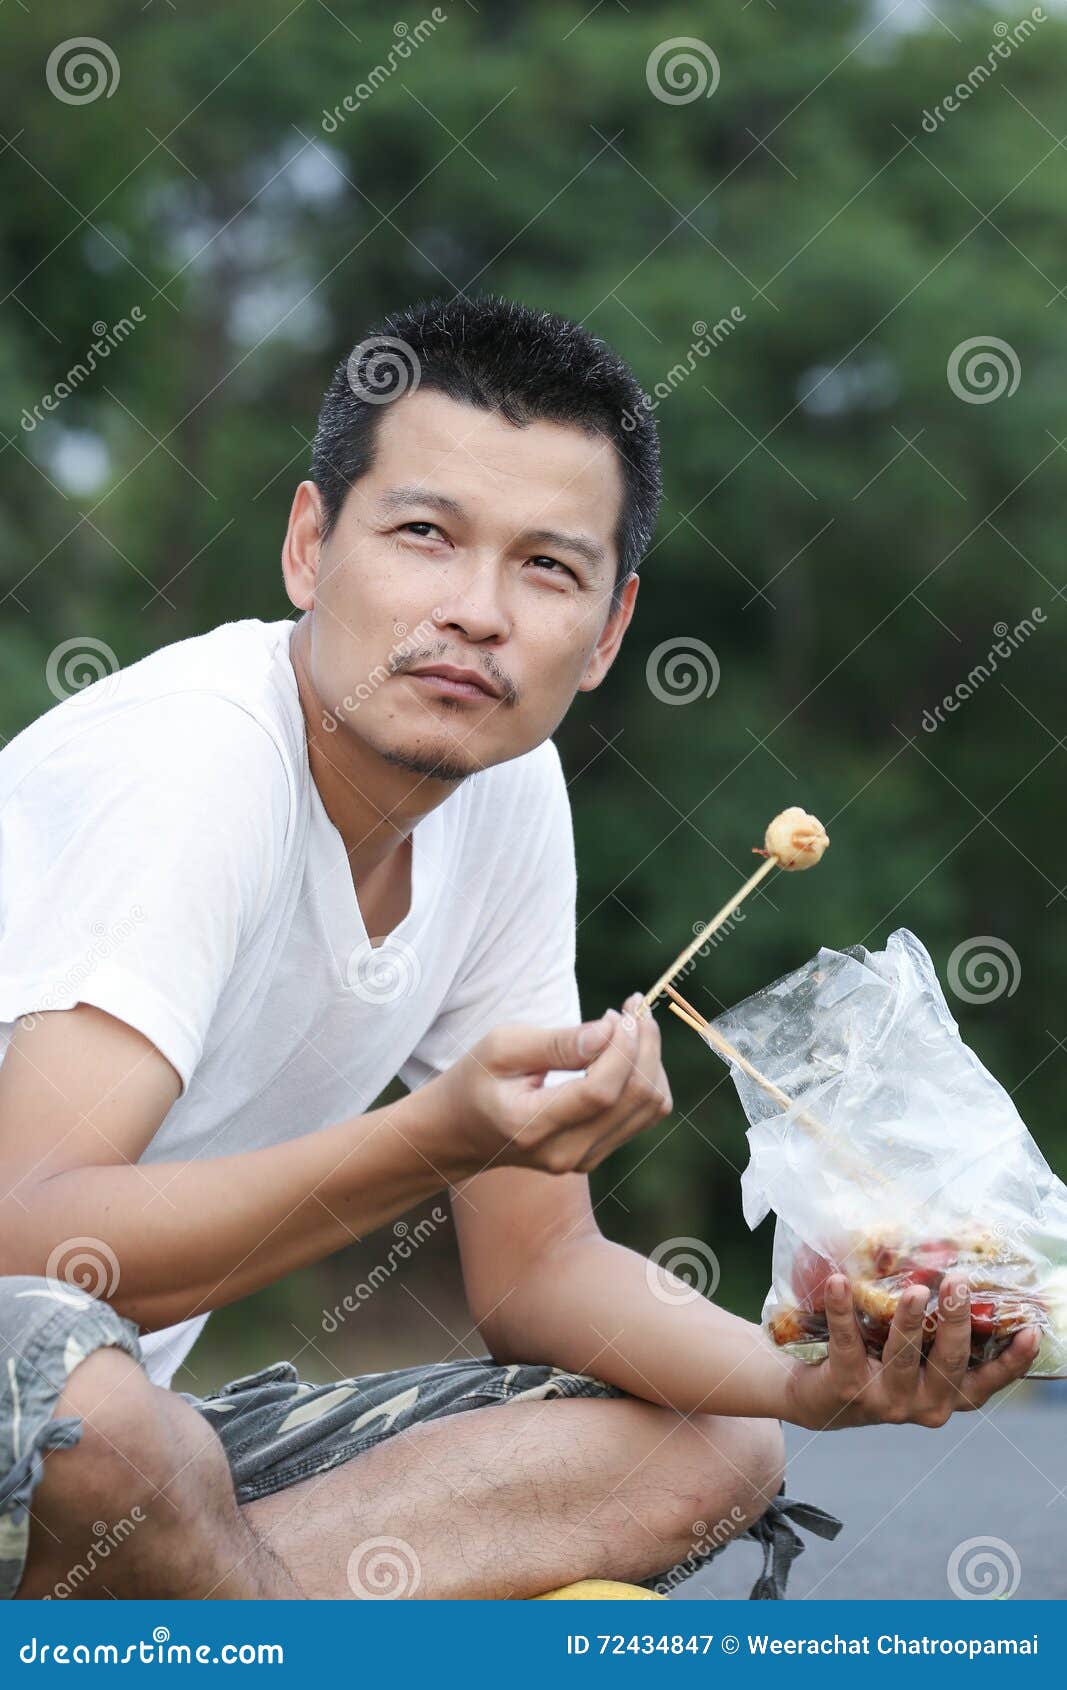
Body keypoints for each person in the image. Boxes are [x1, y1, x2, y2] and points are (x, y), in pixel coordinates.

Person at [0, 296, 1038, 1603]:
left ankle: (209, 1609)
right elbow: (25, 1240)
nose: (477, 611)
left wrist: (806, 1379)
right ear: (312, 546)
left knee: (708, 1441)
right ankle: (234, 1610)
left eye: (548, 567)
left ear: (607, 629)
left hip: (101, 1471)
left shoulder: (505, 795)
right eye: (426, 535)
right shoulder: (194, 770)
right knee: (108, 1429)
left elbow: (537, 1266)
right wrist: (435, 1137)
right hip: (61, 1412)